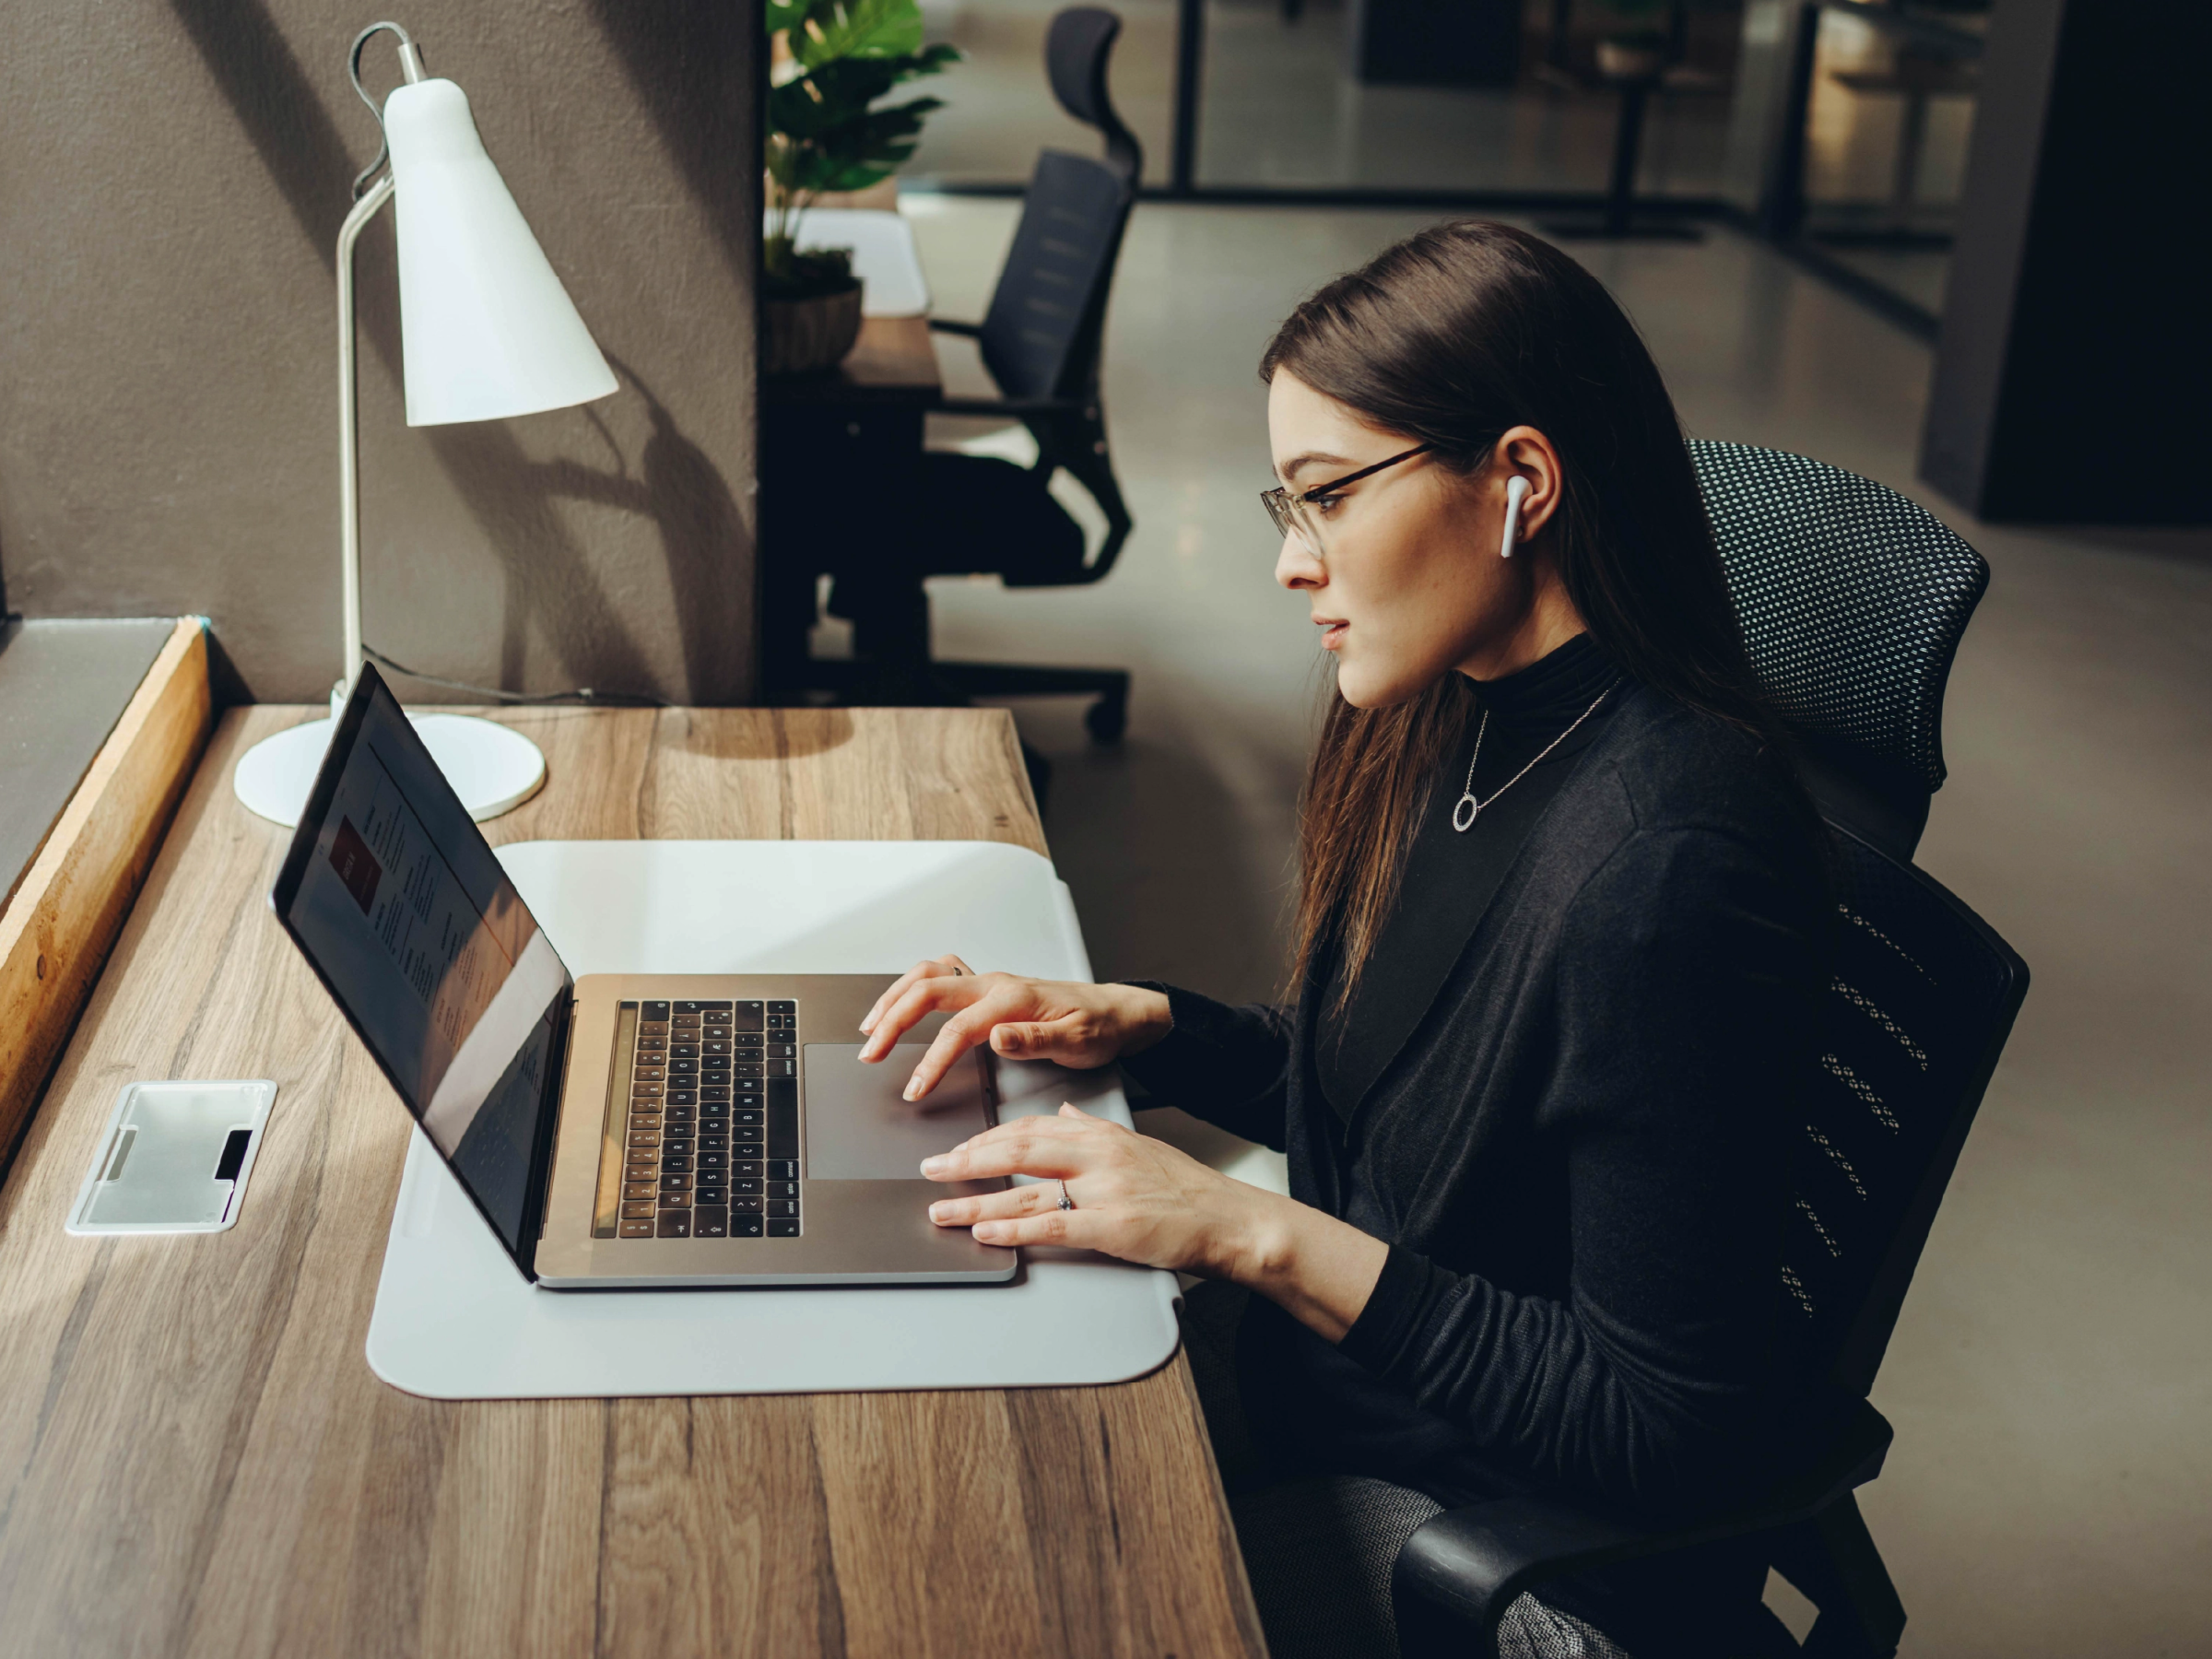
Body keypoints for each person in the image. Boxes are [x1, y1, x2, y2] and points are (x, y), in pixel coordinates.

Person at [857, 221, 1833, 1658]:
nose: (1288, 564)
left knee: (993, 1583)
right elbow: (1427, 1108)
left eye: (1327, 497)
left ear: (1521, 480)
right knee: (931, 1416)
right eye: (1285, 504)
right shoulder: (1461, 709)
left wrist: (1243, 1227)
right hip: (1350, 1398)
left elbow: (1659, 1429)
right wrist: (1151, 1027)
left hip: (1512, 1554)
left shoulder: (1666, 869)